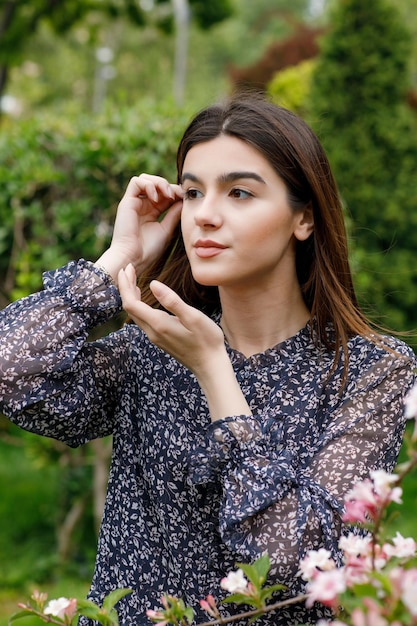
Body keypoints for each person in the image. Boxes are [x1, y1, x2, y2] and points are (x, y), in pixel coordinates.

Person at [0, 96, 416, 626]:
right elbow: (10, 373)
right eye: (192, 191)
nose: (204, 214)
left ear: (304, 218)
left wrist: (215, 374)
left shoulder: (371, 372)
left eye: (238, 192)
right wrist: (117, 260)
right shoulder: (148, 350)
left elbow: (298, 563)